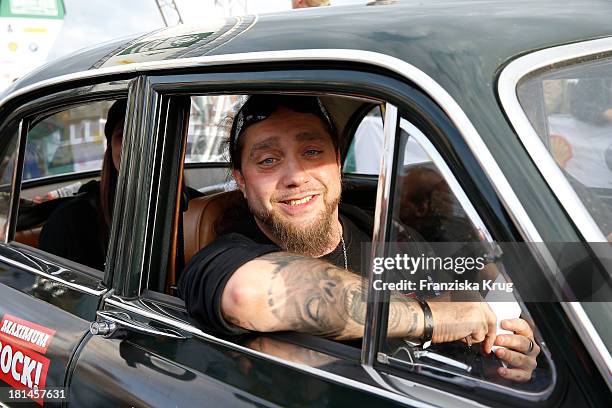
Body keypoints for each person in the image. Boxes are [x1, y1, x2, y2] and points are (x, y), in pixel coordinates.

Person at [179, 95, 539, 381]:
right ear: (241, 180)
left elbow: (460, 297)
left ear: (338, 161)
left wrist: (498, 354)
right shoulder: (221, 258)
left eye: (312, 152)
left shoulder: (387, 233)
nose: (295, 176)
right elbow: (250, 294)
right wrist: (435, 318)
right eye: (269, 160)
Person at [38, 99, 126, 270]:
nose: (135, 144)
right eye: (123, 135)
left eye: (151, 133)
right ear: (110, 147)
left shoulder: (191, 210)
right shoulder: (71, 220)